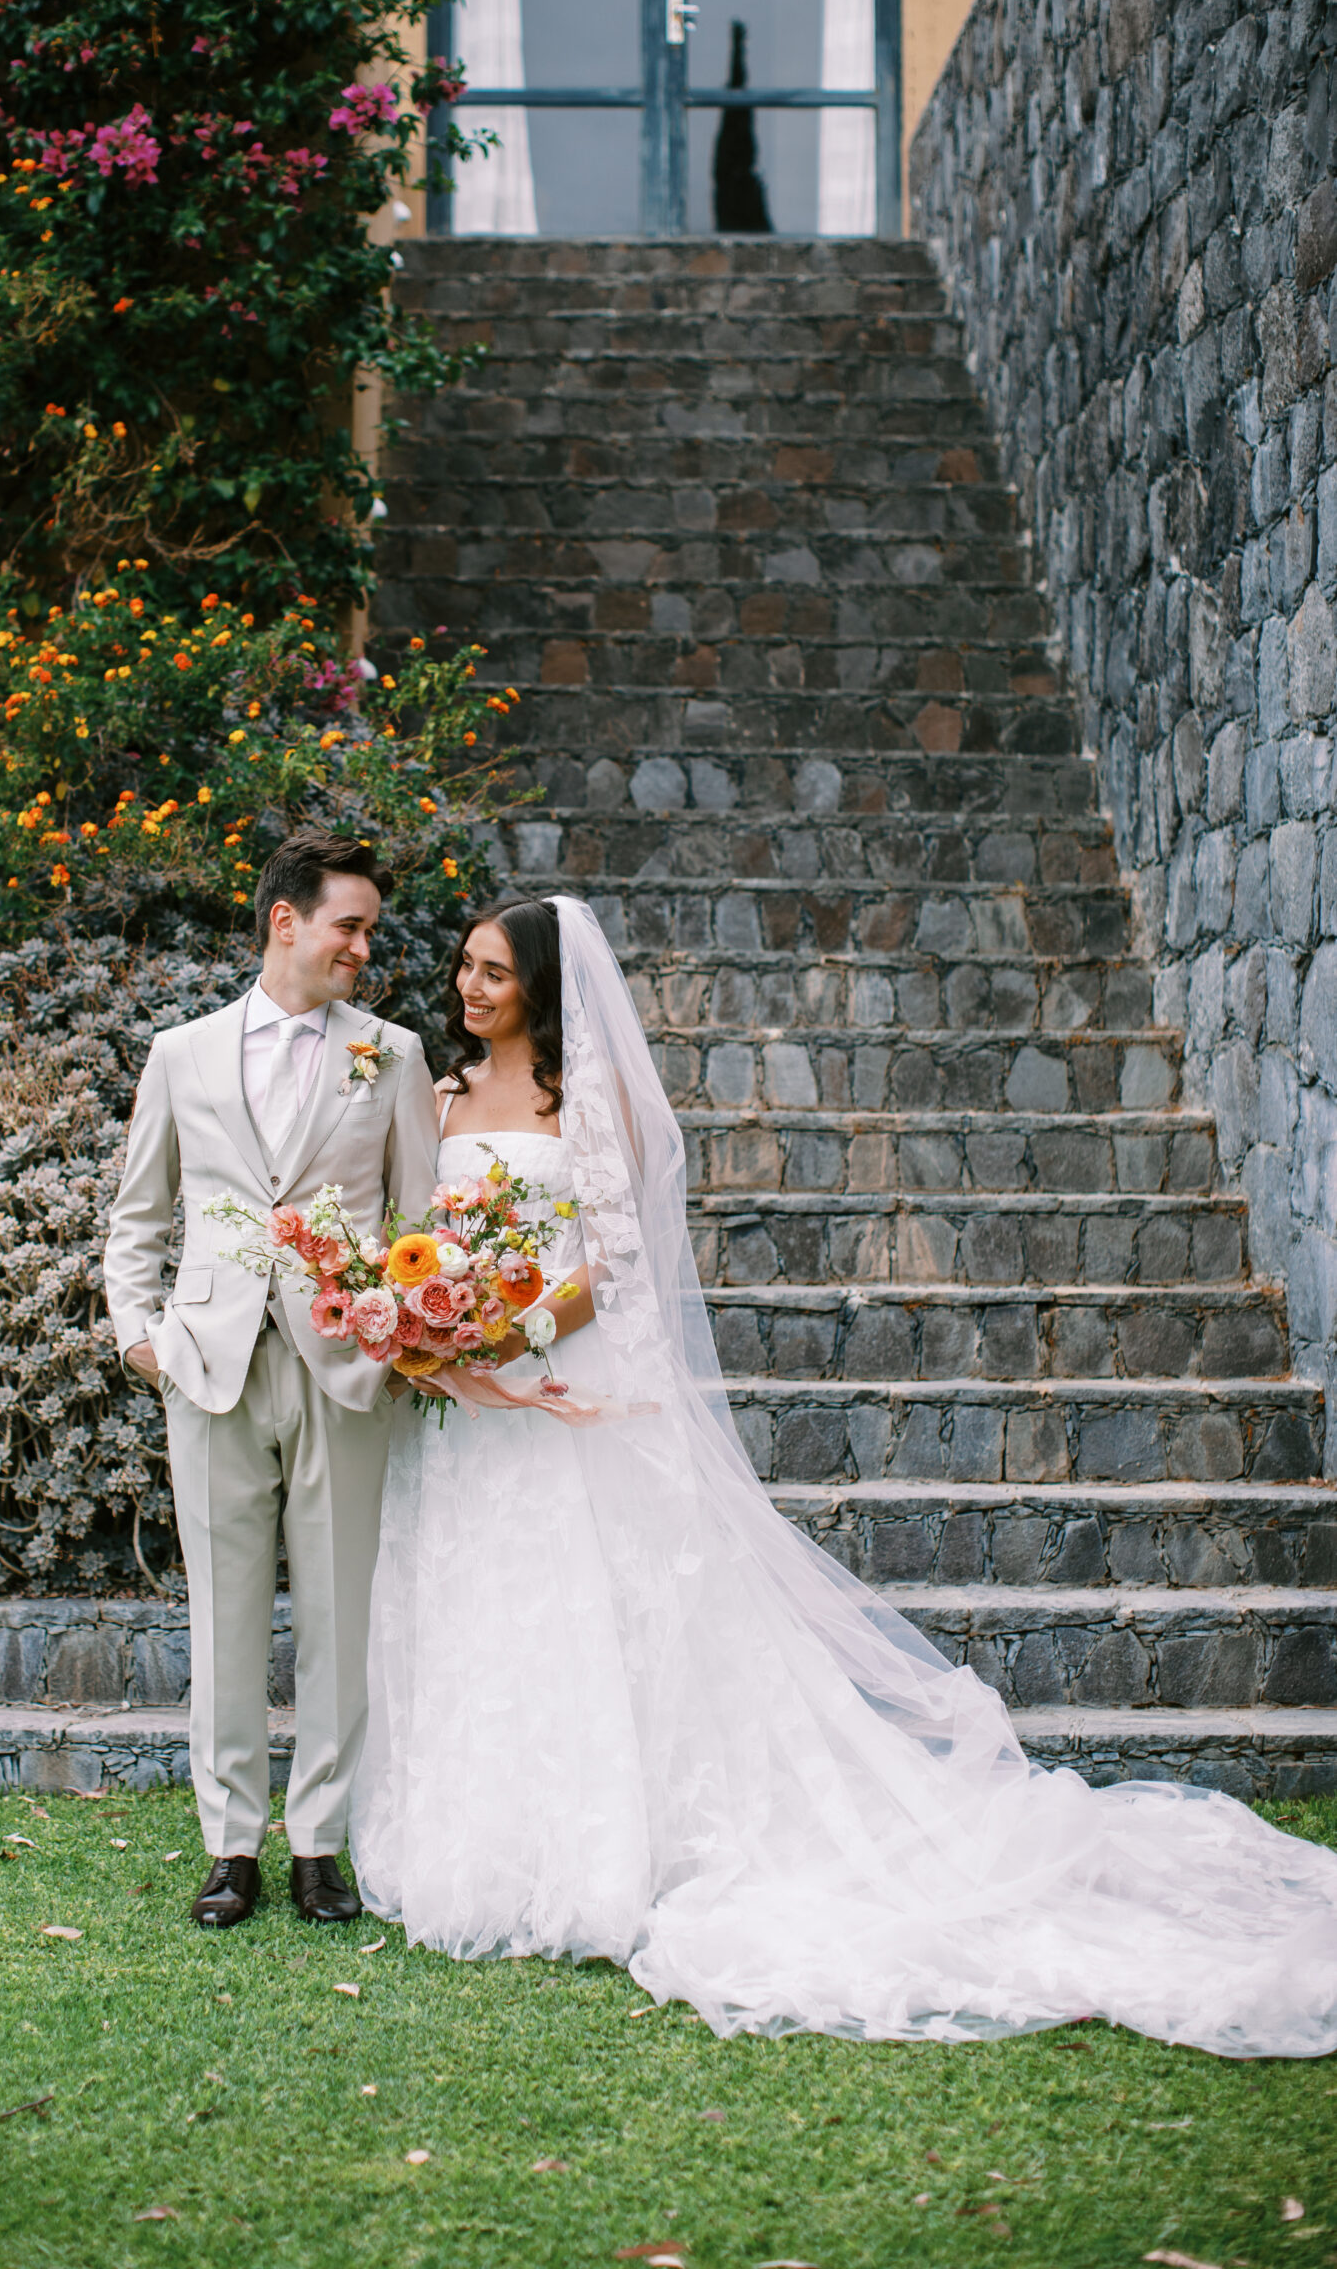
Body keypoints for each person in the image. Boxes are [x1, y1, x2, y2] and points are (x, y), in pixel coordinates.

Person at [351, 891, 1337, 2055]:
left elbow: (613, 1267)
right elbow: (417, 1235)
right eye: (465, 969)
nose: (469, 990)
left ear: (544, 992)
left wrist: (518, 1328)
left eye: (493, 975)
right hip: (467, 1411)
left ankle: (603, 1848)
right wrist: (430, 1318)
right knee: (482, 1609)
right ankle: (478, 1841)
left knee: (588, 1612)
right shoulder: (446, 1094)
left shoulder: (588, 1098)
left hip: (568, 1389)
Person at [104, 829, 439, 1930]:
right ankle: (231, 1843)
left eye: (370, 929)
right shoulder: (180, 1054)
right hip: (208, 1368)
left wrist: (395, 1337)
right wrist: (138, 1334)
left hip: (344, 1370)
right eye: (349, 924)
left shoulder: (390, 1054)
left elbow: (420, 1224)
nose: (363, 945)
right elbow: (138, 1217)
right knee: (226, 1616)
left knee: (340, 1615)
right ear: (284, 921)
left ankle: (321, 1843)